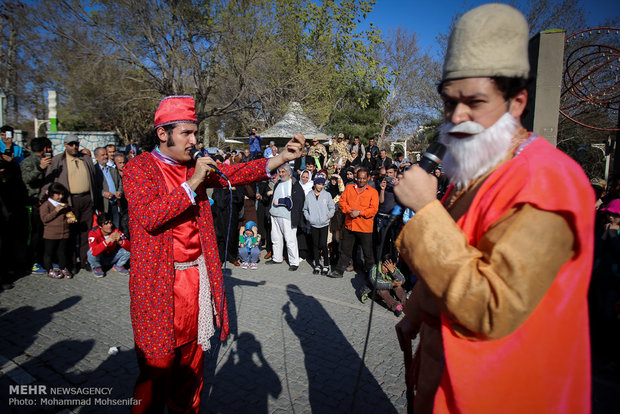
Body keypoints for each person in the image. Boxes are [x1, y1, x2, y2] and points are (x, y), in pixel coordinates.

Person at [393, 5, 594, 413]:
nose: (457, 118)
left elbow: (493, 305)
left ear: (517, 102)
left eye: (475, 102)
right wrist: (415, 311)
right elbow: (460, 254)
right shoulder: (481, 167)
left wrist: (426, 209)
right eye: (449, 103)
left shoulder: (548, 180)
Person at [123, 95, 304, 413]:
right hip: (158, 286)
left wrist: (281, 158)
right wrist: (193, 182)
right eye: (186, 133)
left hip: (197, 282)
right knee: (157, 370)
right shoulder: (139, 168)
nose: (194, 140)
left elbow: (234, 174)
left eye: (195, 132)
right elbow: (150, 217)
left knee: (192, 368)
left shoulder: (196, 165)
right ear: (163, 134)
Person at [43, 134, 98, 273]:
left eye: (76, 144)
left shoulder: (85, 158)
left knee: (85, 232)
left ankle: (85, 260)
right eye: (71, 144)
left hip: (86, 198)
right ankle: (71, 262)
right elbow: (49, 181)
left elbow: (94, 179)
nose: (74, 147)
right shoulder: (57, 160)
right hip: (69, 200)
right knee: (71, 233)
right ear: (65, 144)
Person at [329, 168, 378, 278]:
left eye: (364, 178)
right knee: (345, 250)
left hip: (365, 227)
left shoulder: (373, 192)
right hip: (350, 225)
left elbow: (373, 209)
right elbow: (342, 202)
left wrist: (360, 212)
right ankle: (339, 271)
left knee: (367, 253)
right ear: (356, 178)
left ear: (368, 178)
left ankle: (371, 275)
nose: (361, 180)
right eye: (359, 178)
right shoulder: (349, 188)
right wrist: (349, 211)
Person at [21, 137, 54, 274]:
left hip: (44, 203)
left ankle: (43, 259)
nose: (51, 150)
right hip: (31, 203)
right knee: (33, 235)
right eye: (49, 147)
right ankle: (32, 262)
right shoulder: (29, 162)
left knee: (43, 234)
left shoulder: (48, 162)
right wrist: (40, 168)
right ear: (44, 148)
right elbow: (26, 179)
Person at [266, 163, 305, 271]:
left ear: (289, 172)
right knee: (276, 238)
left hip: (287, 216)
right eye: (280, 172)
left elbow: (297, 201)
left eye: (283, 172)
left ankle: (294, 262)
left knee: (290, 239)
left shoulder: (294, 184)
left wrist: (280, 201)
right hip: (275, 215)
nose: (281, 174)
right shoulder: (279, 182)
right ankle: (277, 258)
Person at [39, 183, 75, 279]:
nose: (61, 197)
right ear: (51, 194)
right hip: (51, 234)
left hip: (64, 233)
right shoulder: (46, 205)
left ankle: (63, 267)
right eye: (58, 194)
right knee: (49, 253)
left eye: (62, 194)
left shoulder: (64, 205)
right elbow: (45, 219)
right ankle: (49, 269)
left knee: (62, 252)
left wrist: (70, 220)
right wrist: (56, 211)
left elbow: (69, 215)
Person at [303, 173, 335, 275]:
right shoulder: (309, 195)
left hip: (324, 224)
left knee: (323, 244)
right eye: (318, 184)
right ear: (315, 184)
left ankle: (326, 265)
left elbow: (332, 208)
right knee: (315, 245)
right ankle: (316, 265)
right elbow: (305, 209)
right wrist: (309, 218)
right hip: (313, 224)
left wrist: (327, 216)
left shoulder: (327, 195)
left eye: (322, 184)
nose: (320, 186)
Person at [87, 212, 131, 277]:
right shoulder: (93, 233)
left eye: (110, 223)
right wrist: (108, 240)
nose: (109, 225)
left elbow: (130, 248)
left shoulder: (116, 231)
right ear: (100, 226)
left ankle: (119, 265)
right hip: (101, 258)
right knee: (90, 252)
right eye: (106, 224)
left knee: (128, 250)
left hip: (112, 256)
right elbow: (94, 252)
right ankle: (97, 267)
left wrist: (120, 241)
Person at [94, 147, 123, 228]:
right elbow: (93, 187)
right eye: (102, 155)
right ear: (96, 157)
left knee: (116, 226)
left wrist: (119, 191)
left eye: (106, 154)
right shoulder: (94, 171)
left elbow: (120, 183)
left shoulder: (112, 170)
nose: (106, 156)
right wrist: (103, 193)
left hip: (114, 204)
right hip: (104, 205)